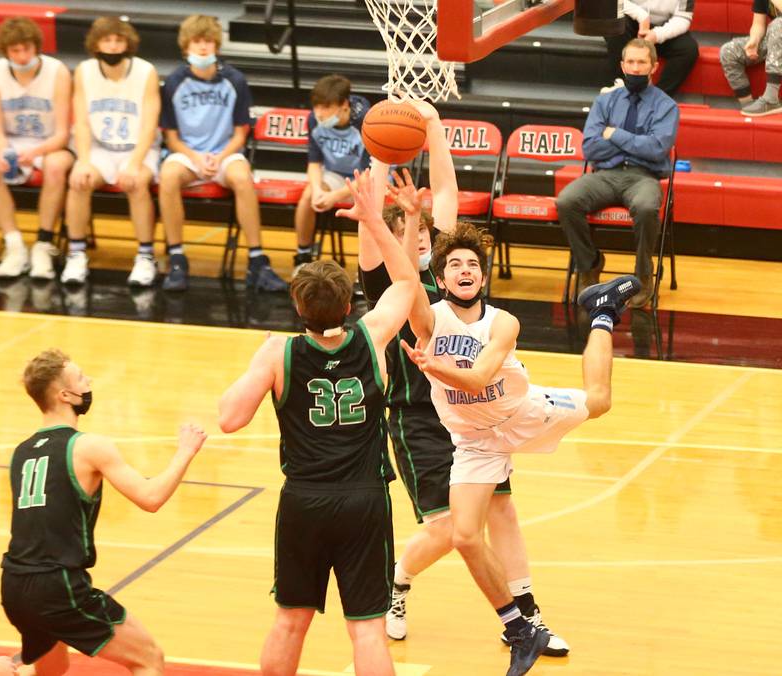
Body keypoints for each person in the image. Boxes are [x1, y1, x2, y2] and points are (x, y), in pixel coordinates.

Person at [359, 103, 569, 657]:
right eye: (413, 230)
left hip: (474, 410)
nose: (424, 238)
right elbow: (377, 215)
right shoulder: (384, 270)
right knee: (452, 529)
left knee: (502, 510)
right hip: (418, 415)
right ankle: (396, 583)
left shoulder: (450, 268)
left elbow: (445, 193)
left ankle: (525, 615)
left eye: (429, 232)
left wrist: (430, 127)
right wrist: (382, 154)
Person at [401, 219, 641, 675]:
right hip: (475, 442)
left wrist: (434, 367)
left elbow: (475, 378)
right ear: (441, 278)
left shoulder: (502, 322)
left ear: (484, 277)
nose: (465, 269)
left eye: (473, 263)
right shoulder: (430, 320)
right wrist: (410, 219)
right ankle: (519, 629)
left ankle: (604, 310)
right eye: (454, 264)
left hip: (524, 415)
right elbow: (405, 278)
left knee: (601, 400)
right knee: (465, 536)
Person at [218, 169, 417, 676]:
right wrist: (374, 222)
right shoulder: (371, 338)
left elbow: (229, 419)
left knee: (290, 621)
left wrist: (260, 363)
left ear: (297, 305)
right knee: (368, 629)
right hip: (364, 499)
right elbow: (407, 283)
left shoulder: (278, 353)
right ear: (350, 305)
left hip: (304, 499)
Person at [0, 348, 207, 674]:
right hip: (57, 586)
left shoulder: (20, 453)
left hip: (14, 584)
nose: (89, 381)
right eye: (81, 378)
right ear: (65, 395)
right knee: (149, 658)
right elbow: (150, 498)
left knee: (51, 669)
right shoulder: (88, 446)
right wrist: (185, 451)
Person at [158, 14, 286, 292]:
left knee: (243, 178)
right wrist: (195, 157)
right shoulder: (174, 82)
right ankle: (177, 257)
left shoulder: (235, 80)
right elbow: (171, 137)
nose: (203, 47)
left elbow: (241, 133)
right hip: (188, 153)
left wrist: (218, 157)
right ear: (186, 47)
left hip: (225, 151)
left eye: (208, 41)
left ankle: (257, 261)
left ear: (216, 45)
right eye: (196, 42)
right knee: (167, 176)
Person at [557, 38, 679, 309]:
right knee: (566, 201)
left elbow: (657, 149)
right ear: (622, 65)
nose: (636, 68)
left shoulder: (666, 106)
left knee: (647, 207)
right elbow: (590, 147)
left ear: (654, 66)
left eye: (642, 62)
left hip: (644, 177)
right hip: (605, 175)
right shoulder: (605, 101)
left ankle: (643, 276)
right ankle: (590, 264)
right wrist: (633, 145)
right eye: (631, 62)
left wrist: (614, 135)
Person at [60, 17, 161, 287]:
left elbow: (150, 125)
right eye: (107, 40)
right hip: (100, 148)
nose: (113, 46)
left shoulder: (145, 71)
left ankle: (145, 256)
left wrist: (134, 163)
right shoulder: (84, 71)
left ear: (127, 43)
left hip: (137, 147)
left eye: (118, 40)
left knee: (136, 182)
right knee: (78, 180)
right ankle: (77, 253)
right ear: (96, 44)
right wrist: (82, 161)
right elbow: (80, 121)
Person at [0, 17, 73, 279]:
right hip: (12, 141)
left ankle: (43, 245)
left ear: (37, 47)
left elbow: (62, 134)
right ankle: (15, 246)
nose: (22, 56)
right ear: (5, 51)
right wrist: (2, 151)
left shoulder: (57, 72)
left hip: (50, 143)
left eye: (27, 49)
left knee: (56, 167)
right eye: (15, 51)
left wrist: (34, 153)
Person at [292, 74, 370, 274]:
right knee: (309, 195)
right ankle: (303, 256)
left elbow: (369, 174)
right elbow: (314, 163)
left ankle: (368, 268)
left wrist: (335, 196)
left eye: (326, 107)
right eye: (317, 106)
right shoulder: (313, 120)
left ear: (344, 104)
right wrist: (318, 190)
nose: (319, 113)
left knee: (371, 206)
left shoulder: (365, 121)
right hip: (336, 173)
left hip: (370, 177)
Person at [604, 0, 698, 97]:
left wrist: (657, 35)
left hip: (663, 26)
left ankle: (657, 98)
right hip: (630, 16)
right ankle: (621, 85)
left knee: (688, 49)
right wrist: (642, 17)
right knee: (617, 26)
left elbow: (683, 17)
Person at [719, 0, 782, 116]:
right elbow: (758, 24)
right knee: (729, 51)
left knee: (779, 24)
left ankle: (771, 98)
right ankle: (748, 105)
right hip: (775, 41)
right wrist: (755, 40)